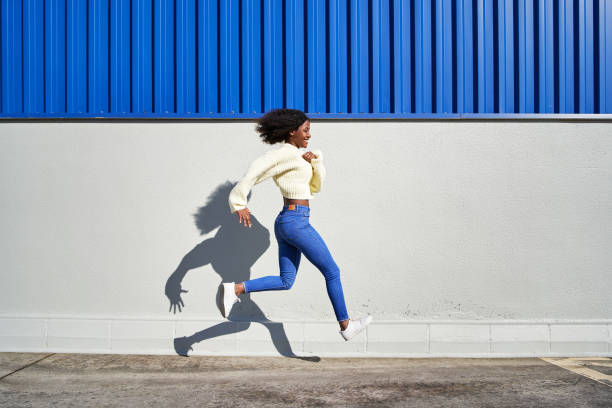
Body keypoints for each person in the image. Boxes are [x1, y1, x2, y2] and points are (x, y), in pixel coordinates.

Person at [220, 108, 372, 341]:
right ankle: (346, 325)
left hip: (289, 220)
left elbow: (314, 188)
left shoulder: (296, 156)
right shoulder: (284, 153)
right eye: (306, 130)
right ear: (292, 131)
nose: (309, 135)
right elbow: (255, 170)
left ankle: (237, 288)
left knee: (286, 281)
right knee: (332, 271)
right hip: (295, 221)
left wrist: (315, 163)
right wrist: (238, 201)